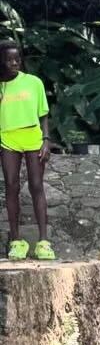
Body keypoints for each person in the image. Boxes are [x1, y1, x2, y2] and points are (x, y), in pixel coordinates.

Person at [0, 39, 53, 261]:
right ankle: (16, 241)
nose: (14, 63)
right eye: (9, 59)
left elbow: (43, 113)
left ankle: (43, 242)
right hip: (8, 138)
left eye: (17, 59)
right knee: (11, 186)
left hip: (33, 136)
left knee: (36, 186)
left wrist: (46, 140)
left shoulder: (34, 82)